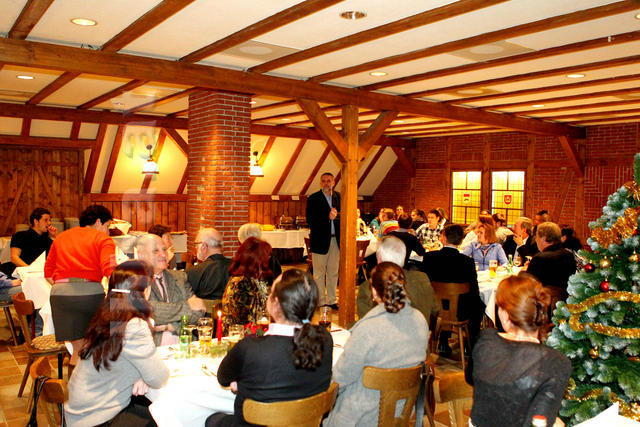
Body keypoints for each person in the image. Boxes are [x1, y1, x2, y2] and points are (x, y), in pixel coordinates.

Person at [206, 269, 332, 427]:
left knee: (211, 419)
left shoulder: (251, 348)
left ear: (275, 304)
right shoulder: (325, 339)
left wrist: (242, 383)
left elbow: (223, 378)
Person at [65, 261, 170, 426]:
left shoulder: (109, 315)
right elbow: (159, 378)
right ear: (145, 291)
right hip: (98, 417)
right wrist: (147, 375)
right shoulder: (134, 325)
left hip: (80, 412)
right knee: (168, 417)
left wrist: (143, 375)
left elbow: (125, 358)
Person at [327, 262, 428, 426]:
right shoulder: (420, 321)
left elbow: (341, 378)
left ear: (374, 292)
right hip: (400, 413)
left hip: (361, 417)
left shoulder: (368, 329)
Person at [468, 274, 571, 427]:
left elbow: (470, 378)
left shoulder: (485, 341)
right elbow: (540, 420)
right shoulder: (557, 362)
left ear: (505, 316)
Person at [45, 204, 116, 366]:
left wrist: (65, 286)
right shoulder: (103, 239)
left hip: (60, 296)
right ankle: (92, 380)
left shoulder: (61, 237)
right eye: (107, 226)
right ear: (98, 222)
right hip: (90, 296)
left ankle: (75, 381)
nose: (108, 231)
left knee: (78, 349)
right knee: (95, 347)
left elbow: (48, 273)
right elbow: (110, 270)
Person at [422, 224, 483, 349]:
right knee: (479, 304)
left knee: (445, 301)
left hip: (435, 307)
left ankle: (442, 340)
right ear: (460, 241)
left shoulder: (429, 258)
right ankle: (470, 344)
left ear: (443, 238)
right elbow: (474, 291)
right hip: (460, 311)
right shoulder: (467, 262)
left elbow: (425, 285)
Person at [136, 234, 205, 344]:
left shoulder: (179, 277)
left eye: (164, 249)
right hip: (153, 347)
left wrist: (170, 327)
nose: (163, 254)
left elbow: (198, 312)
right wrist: (187, 306)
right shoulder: (134, 280)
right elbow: (150, 311)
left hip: (186, 344)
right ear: (141, 255)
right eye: (156, 251)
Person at [357, 235, 438, 327]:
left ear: (379, 258)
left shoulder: (368, 287)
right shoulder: (422, 278)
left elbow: (365, 323)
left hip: (384, 335)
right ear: (404, 256)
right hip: (421, 333)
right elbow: (435, 310)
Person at [222, 237, 273, 333]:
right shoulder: (241, 284)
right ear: (256, 259)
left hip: (254, 331)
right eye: (266, 256)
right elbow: (244, 321)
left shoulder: (256, 278)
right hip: (239, 334)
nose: (269, 259)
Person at [306, 172, 340, 309]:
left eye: (329, 181)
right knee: (319, 274)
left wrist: (336, 217)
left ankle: (332, 300)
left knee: (333, 272)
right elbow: (310, 220)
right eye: (324, 181)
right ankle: (320, 301)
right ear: (320, 183)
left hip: (336, 240)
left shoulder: (339, 197)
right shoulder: (313, 198)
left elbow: (343, 216)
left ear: (333, 183)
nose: (326, 183)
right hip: (319, 241)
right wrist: (327, 217)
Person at [526, 222, 577, 290]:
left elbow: (528, 287)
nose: (535, 240)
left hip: (544, 295)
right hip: (563, 295)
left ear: (543, 238)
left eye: (536, 236)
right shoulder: (569, 255)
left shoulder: (539, 258)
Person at [186, 227, 231, 301]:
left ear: (203, 246)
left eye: (196, 244)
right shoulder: (237, 267)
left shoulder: (193, 272)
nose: (195, 248)